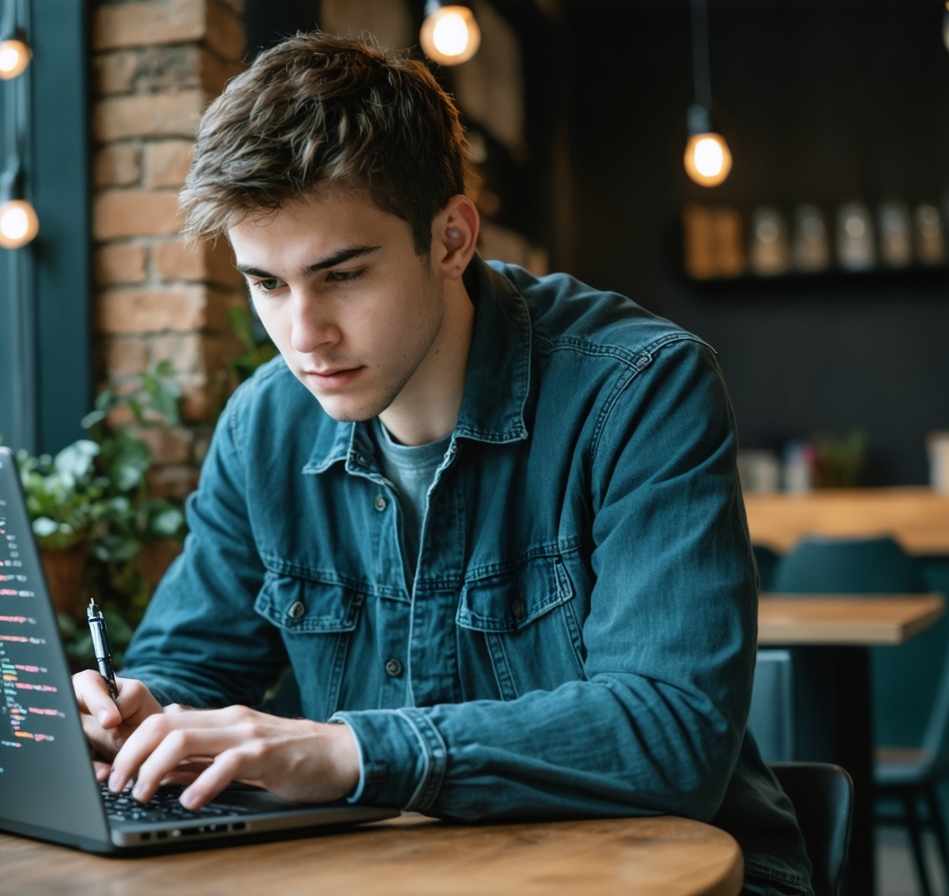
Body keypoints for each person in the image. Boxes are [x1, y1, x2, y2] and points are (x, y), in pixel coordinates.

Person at [74, 32, 813, 896]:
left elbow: (672, 732)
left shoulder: (642, 389)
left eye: (342, 275)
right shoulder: (262, 427)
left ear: (452, 239)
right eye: (267, 284)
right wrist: (137, 713)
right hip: (396, 874)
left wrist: (348, 752)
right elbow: (192, 664)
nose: (304, 336)